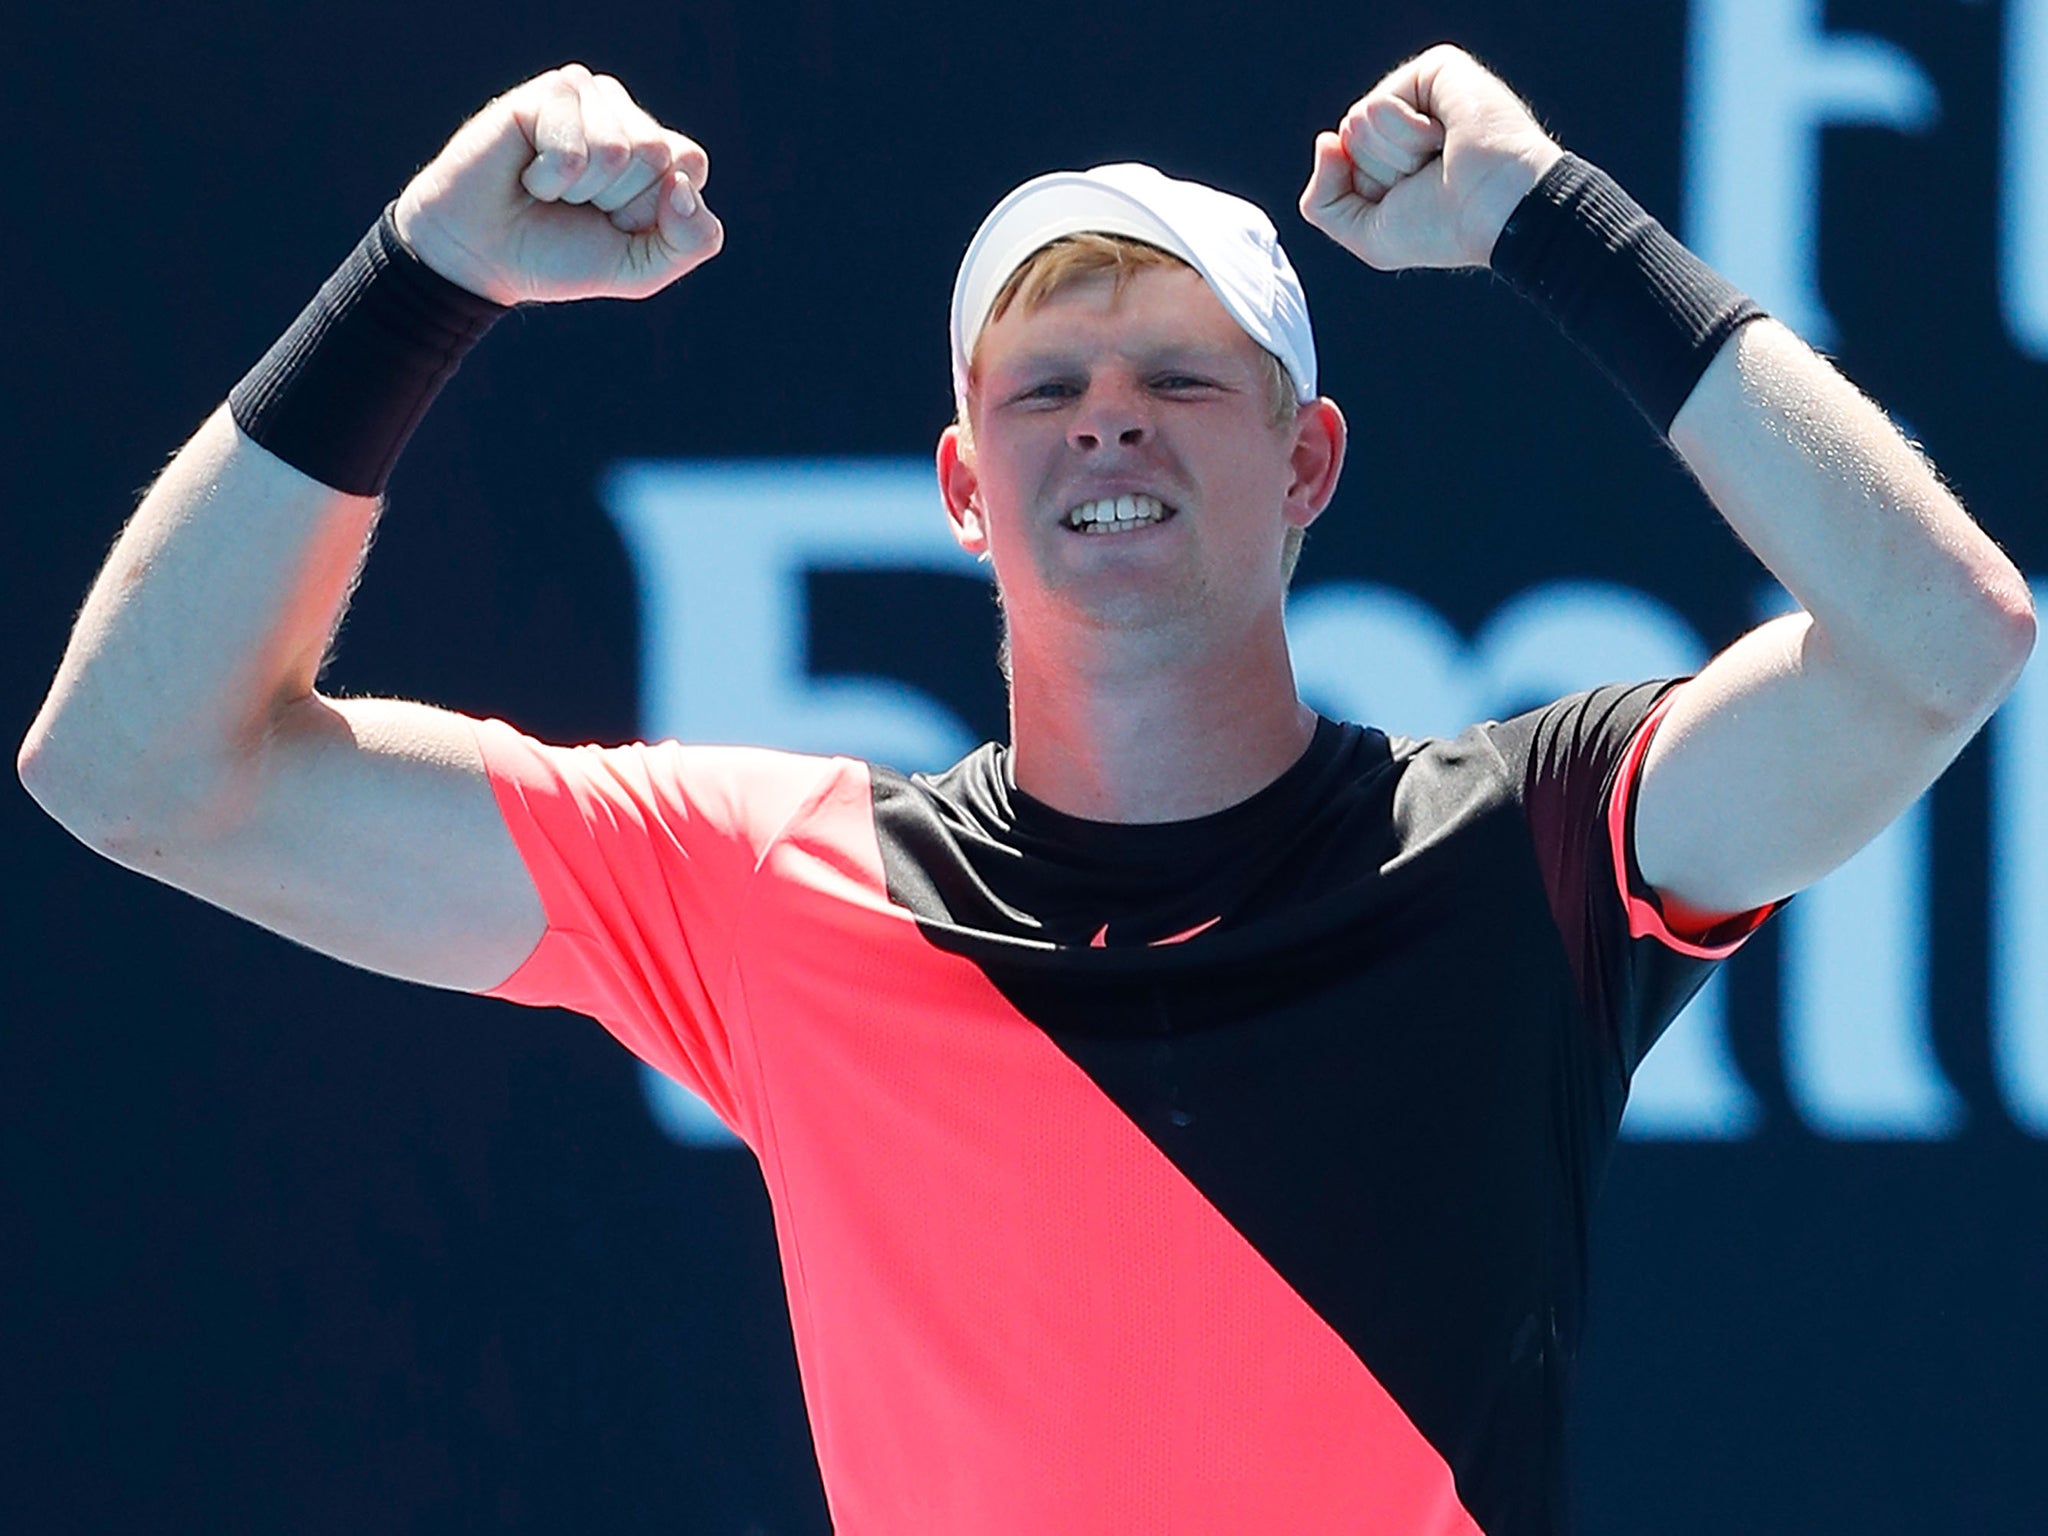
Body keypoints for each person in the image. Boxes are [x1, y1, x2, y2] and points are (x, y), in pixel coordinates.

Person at [18, 43, 2032, 1536]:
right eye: (1042, 391)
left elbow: (1941, 639)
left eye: (1177, 379)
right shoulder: (759, 888)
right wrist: (420, 272)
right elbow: (136, 768)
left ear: (1307, 460)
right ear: (965, 490)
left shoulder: (1527, 841)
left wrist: (1552, 221)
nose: (1106, 429)